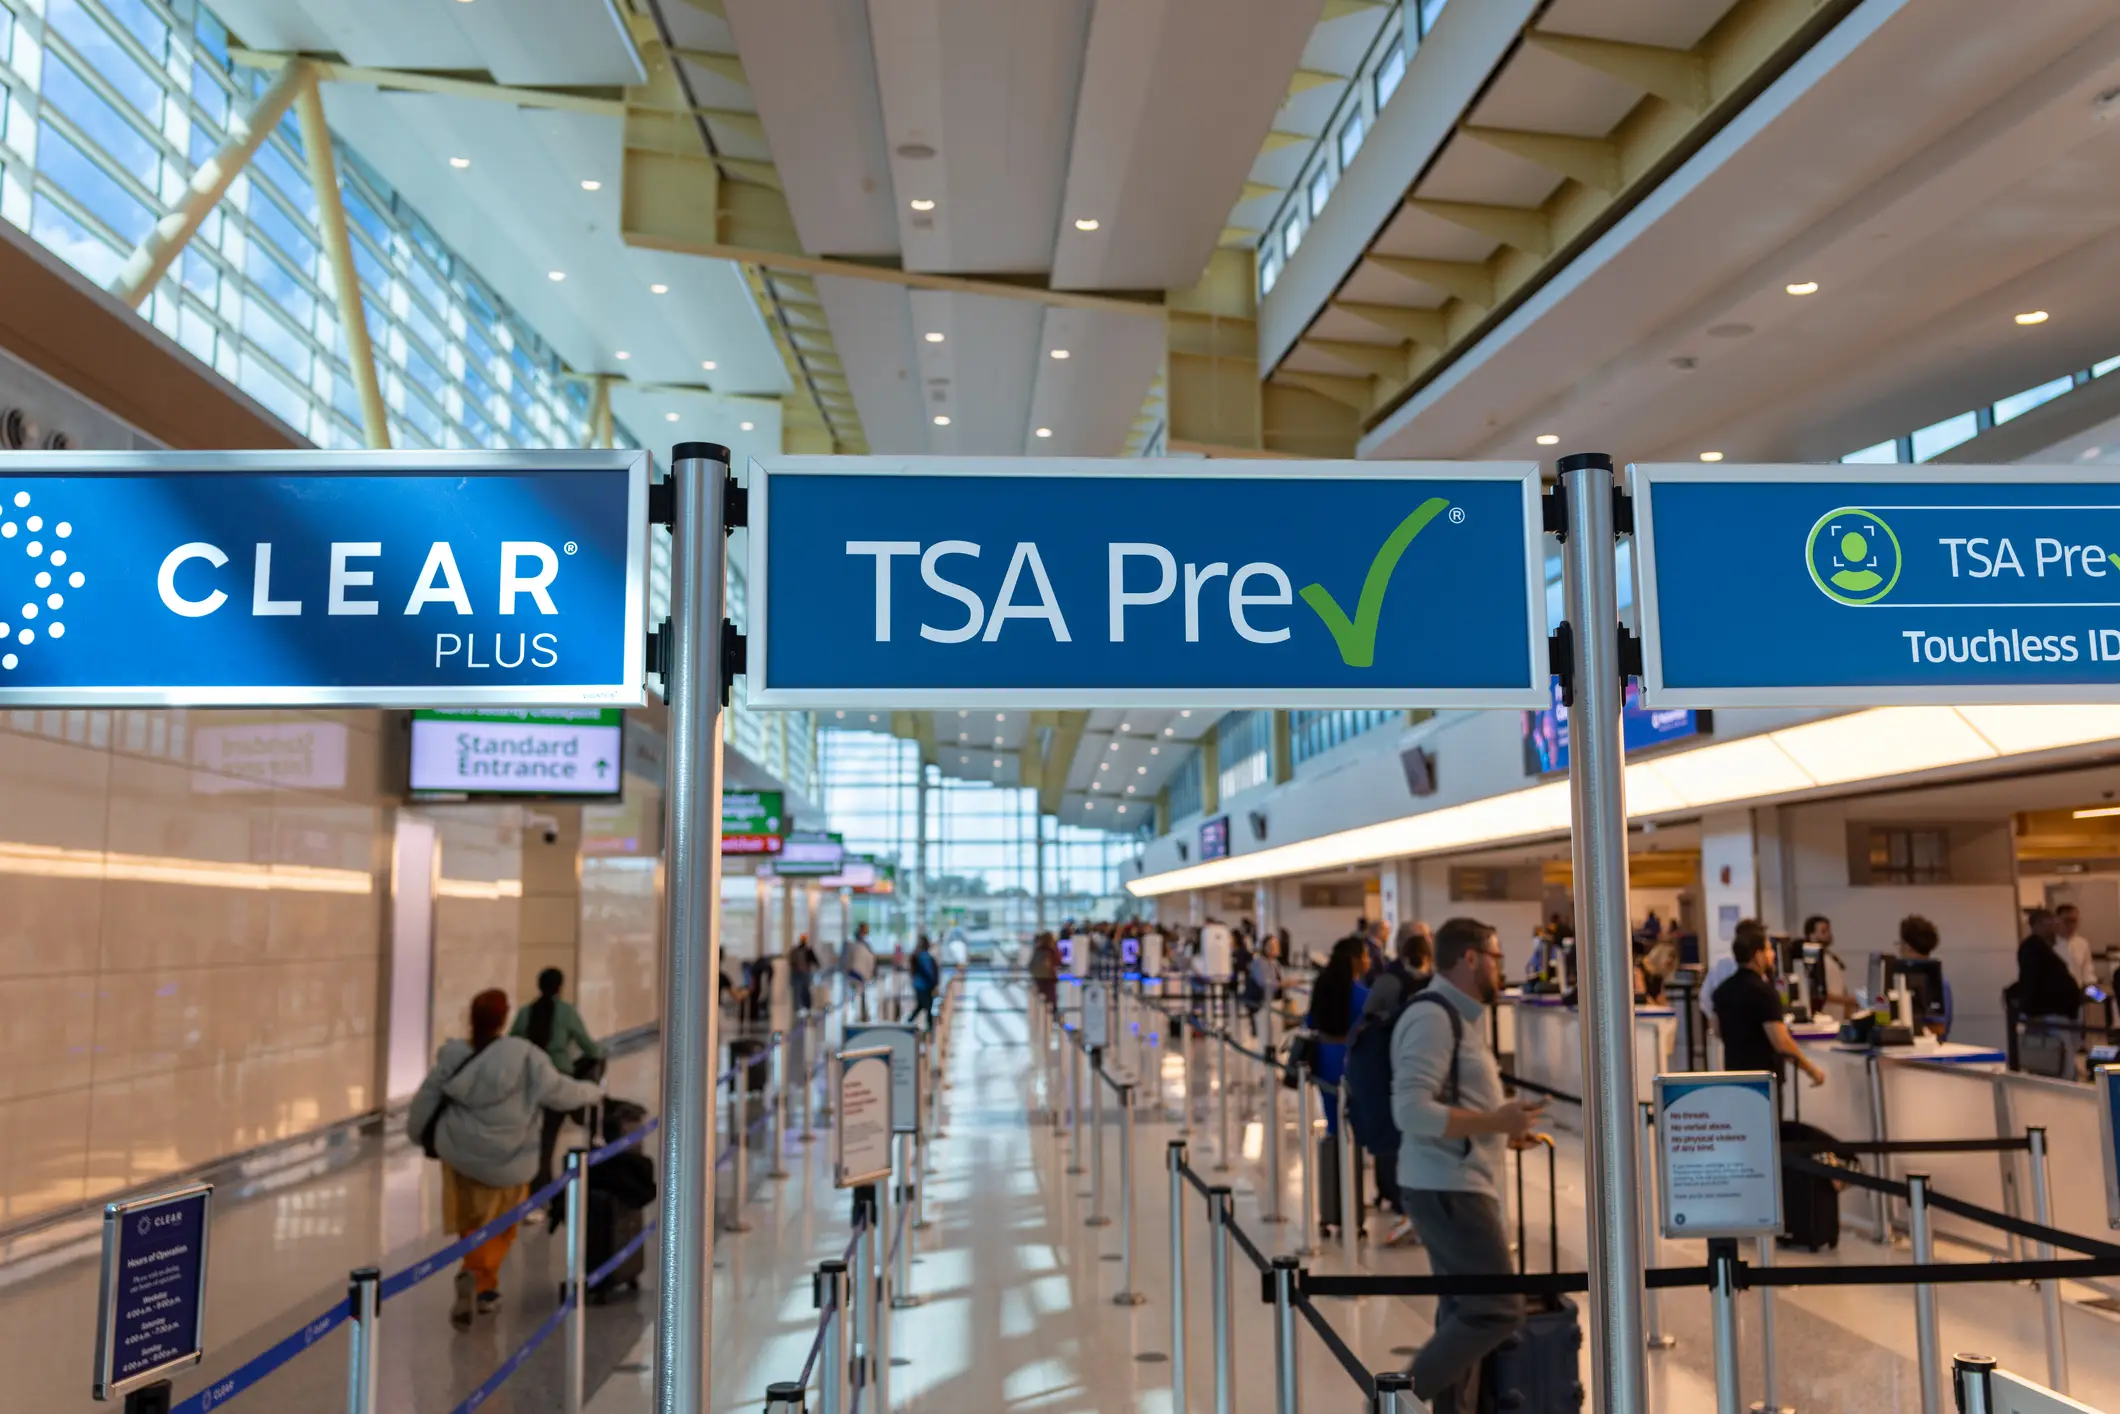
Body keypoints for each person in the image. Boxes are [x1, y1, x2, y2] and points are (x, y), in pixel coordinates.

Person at [1389, 918, 1548, 1413]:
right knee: (1495, 1309)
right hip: (1447, 1187)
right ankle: (1397, 1400)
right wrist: (1494, 1121)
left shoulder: (1464, 1017)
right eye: (1498, 958)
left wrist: (1503, 1127)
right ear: (1471, 958)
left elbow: (1459, 1103)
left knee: (1462, 1308)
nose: (1503, 969)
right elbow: (1410, 1110)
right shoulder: (1433, 1018)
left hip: (1460, 1181)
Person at [409, 988, 603, 1330]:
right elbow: (560, 1092)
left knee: (472, 1220)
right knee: (504, 1222)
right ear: (504, 1018)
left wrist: (417, 1133)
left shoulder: (453, 1056)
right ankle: (483, 1284)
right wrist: (594, 1091)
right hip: (512, 1157)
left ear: (472, 1018)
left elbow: (426, 1099)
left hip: (461, 1152)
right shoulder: (525, 1056)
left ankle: (474, 1273)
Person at [1351, 920, 1434, 1245]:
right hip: (1400, 1068)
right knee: (1399, 1133)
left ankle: (1400, 1196)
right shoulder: (1426, 982)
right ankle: (1401, 1197)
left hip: (1399, 1069)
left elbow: (1367, 1020)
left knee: (1399, 1132)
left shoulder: (1390, 980)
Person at [508, 968, 605, 1215]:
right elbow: (589, 1046)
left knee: (542, 1142)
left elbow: (512, 1043)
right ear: (560, 987)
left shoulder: (525, 1013)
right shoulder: (567, 1012)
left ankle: (538, 1193)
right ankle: (595, 1162)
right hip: (559, 1084)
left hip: (531, 1085)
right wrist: (599, 1055)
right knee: (562, 1127)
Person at [1712, 920, 1826, 1088]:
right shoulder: (1764, 992)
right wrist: (1812, 1070)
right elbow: (1781, 1042)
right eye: (1768, 949)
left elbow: (1717, 1030)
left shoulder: (1722, 989)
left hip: (1734, 1076)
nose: (1772, 954)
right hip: (1763, 1080)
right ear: (1758, 955)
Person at [1305, 934, 1371, 1149]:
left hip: (1324, 1056)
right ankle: (1355, 1156)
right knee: (1356, 1110)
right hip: (1352, 1056)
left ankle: (1335, 1155)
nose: (1368, 960)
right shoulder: (1363, 995)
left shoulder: (1322, 985)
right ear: (1355, 959)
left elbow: (1310, 1020)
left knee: (1332, 1113)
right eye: (1365, 955)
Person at [2015, 907, 2084, 1020]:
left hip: (2071, 1000)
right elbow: (2039, 979)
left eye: (2074, 921)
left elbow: (2086, 972)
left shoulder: (2082, 944)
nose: (2055, 928)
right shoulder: (2037, 948)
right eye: (2051, 924)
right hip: (2050, 1010)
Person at [1896, 914, 1952, 1039]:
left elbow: (1939, 1028)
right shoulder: (1902, 980)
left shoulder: (1935, 982)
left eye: (1900, 944)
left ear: (1907, 946)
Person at [2057, 903, 2098, 990]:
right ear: (2057, 920)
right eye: (2067, 921)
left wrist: (2100, 997)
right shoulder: (2050, 944)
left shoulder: (2082, 944)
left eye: (2074, 921)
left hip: (2077, 994)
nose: (2071, 925)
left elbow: (2088, 974)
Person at [911, 935, 941, 1027]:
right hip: (926, 986)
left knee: (921, 1006)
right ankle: (929, 1029)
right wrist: (934, 984)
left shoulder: (916, 956)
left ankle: (909, 1020)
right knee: (928, 1007)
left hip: (918, 986)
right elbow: (930, 973)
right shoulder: (926, 957)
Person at [790, 934, 821, 1014]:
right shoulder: (796, 951)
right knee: (798, 991)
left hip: (804, 973)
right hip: (797, 974)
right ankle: (798, 1008)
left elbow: (815, 961)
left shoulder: (808, 951)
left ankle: (806, 1007)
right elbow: (791, 961)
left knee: (805, 990)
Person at [1029, 930, 1060, 1007]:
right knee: (1050, 999)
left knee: (1041, 999)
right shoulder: (1051, 949)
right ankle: (1052, 1013)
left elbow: (1031, 963)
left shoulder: (1038, 948)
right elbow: (1058, 960)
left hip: (1038, 977)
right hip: (1048, 977)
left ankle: (1042, 1013)